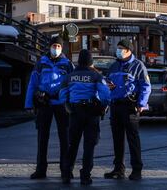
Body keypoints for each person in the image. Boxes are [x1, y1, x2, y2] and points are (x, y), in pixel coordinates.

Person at [25, 36, 74, 179]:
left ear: (62, 48)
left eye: (58, 46)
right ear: (49, 47)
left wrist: (72, 103)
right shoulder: (41, 63)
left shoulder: (67, 64)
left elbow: (72, 84)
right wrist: (28, 104)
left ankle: (66, 169)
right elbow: (32, 84)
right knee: (42, 138)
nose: (56, 49)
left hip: (61, 104)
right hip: (44, 103)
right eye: (54, 46)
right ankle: (41, 169)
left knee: (65, 138)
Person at [60, 50, 111, 185]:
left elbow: (62, 95)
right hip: (91, 113)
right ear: (90, 61)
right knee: (89, 146)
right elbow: (105, 95)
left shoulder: (69, 77)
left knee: (72, 145)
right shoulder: (96, 76)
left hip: (75, 113)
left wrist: (68, 107)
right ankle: (85, 176)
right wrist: (104, 107)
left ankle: (66, 173)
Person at [104, 39, 151, 181]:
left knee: (133, 139)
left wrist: (141, 104)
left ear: (129, 51)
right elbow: (106, 83)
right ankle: (119, 169)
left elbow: (145, 86)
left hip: (130, 106)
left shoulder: (138, 66)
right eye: (117, 48)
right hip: (116, 105)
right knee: (117, 139)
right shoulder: (113, 66)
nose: (118, 51)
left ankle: (137, 170)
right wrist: (108, 88)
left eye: (121, 48)